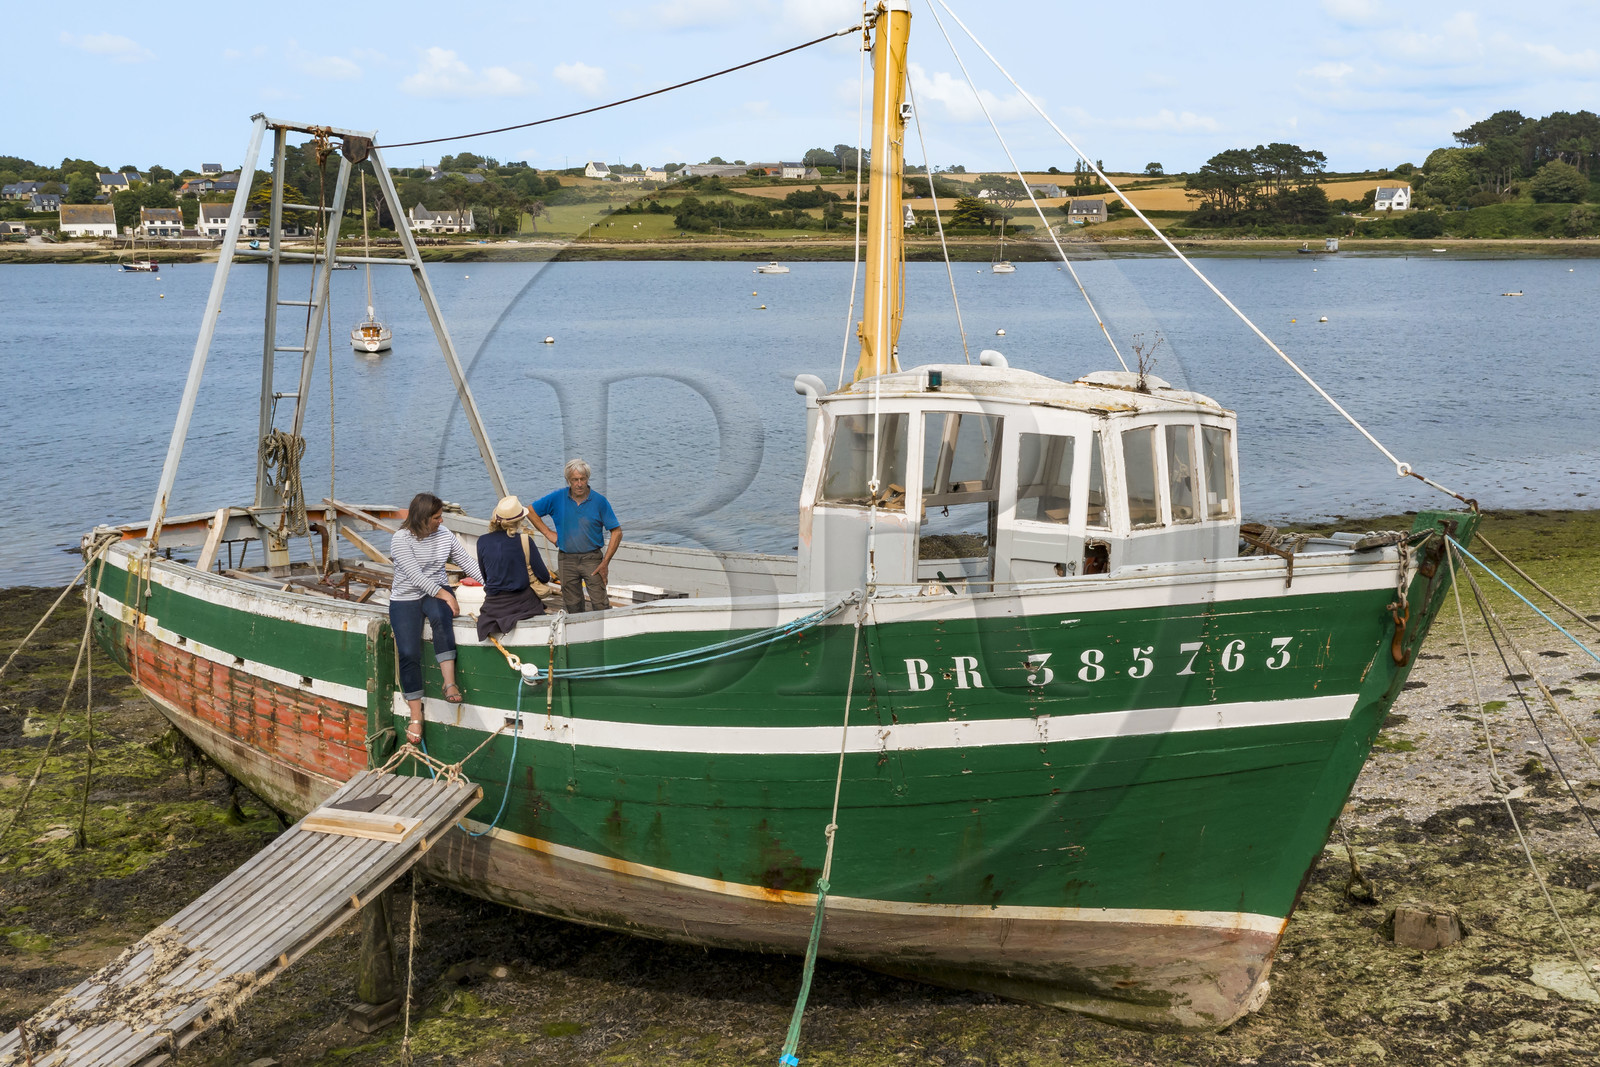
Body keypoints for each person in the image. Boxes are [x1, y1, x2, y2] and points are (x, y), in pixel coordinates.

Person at [390, 492, 483, 744]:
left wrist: (491, 585)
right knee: (408, 652)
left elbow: (466, 562)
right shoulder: (401, 539)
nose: (441, 521)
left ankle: (449, 683)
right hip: (406, 596)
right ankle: (415, 714)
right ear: (422, 519)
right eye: (436, 517)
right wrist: (448, 595)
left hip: (436, 591)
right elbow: (414, 576)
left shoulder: (444, 535)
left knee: (443, 619)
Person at [528, 458, 622, 613]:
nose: (579, 484)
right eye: (575, 480)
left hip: (592, 559)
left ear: (587, 479)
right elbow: (531, 511)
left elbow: (617, 532)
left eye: (582, 479)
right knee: (572, 606)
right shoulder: (557, 498)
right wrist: (548, 533)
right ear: (568, 481)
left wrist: (605, 562)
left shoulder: (600, 501)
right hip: (566, 559)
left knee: (600, 604)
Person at [475, 494, 551, 640]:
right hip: (523, 604)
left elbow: (486, 577)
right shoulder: (525, 541)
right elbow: (544, 576)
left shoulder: (482, 541)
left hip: (493, 606)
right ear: (519, 521)